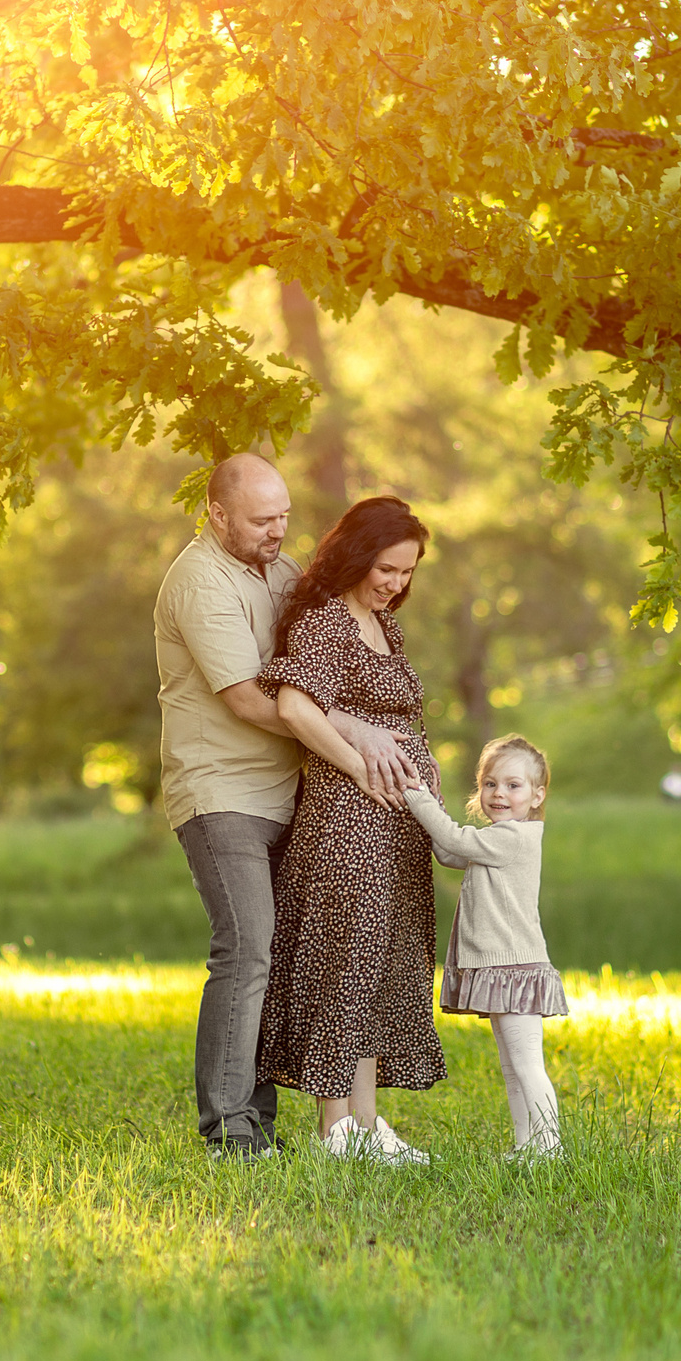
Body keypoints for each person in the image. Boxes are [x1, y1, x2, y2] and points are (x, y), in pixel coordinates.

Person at [155, 455, 416, 1159]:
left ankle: (267, 1118)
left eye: (284, 517)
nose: (277, 531)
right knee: (247, 946)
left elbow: (322, 659)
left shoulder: (280, 570)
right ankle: (230, 1132)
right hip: (222, 791)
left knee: (285, 951)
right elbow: (248, 697)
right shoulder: (199, 580)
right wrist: (353, 732)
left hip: (293, 791)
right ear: (217, 512)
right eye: (261, 520)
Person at [255, 496, 446, 1164]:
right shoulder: (327, 621)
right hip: (346, 825)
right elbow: (297, 708)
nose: (397, 582)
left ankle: (366, 1126)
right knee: (344, 964)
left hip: (393, 831)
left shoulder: (382, 626)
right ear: (359, 554)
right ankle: (336, 1129)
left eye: (407, 572)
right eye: (388, 567)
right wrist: (362, 767)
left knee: (378, 964)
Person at [404, 734, 567, 1159]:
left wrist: (416, 795)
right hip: (502, 968)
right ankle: (527, 1146)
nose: (499, 794)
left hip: (515, 968)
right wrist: (433, 802)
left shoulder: (515, 838)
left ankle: (550, 1148)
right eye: (490, 784)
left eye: (514, 785)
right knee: (512, 1069)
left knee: (527, 1066)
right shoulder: (495, 840)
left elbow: (455, 840)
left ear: (537, 795)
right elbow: (448, 851)